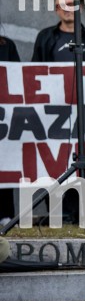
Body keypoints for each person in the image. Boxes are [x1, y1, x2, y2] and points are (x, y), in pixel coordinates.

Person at [31, 0, 85, 225]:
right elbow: (35, 71)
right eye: (63, 5)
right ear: (57, 10)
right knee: (57, 159)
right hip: (55, 112)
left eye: (72, 4)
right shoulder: (46, 37)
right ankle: (61, 212)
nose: (68, 9)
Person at [0, 32, 20, 227]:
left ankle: (5, 214)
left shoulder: (7, 45)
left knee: (4, 163)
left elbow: (18, 77)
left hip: (3, 114)